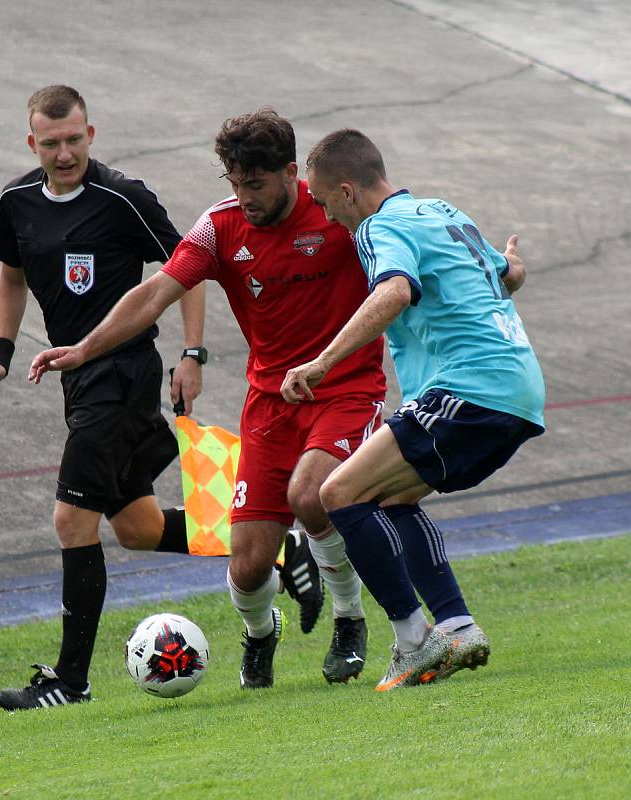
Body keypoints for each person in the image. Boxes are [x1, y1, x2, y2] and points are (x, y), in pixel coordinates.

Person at [29, 109, 485, 693]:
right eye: (234, 182)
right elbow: (156, 293)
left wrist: (495, 270)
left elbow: (420, 241)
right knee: (246, 566)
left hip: (345, 389)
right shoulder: (221, 228)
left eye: (256, 184)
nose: (243, 196)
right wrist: (84, 349)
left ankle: (349, 618)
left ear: (292, 172)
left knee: (315, 493)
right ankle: (260, 631)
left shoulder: (340, 213)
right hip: (269, 404)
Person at [0, 84, 210, 711]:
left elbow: (190, 268)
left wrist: (192, 353)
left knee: (72, 519)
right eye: (52, 144)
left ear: (91, 134)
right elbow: (12, 280)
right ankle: (281, 548)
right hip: (76, 378)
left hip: (122, 374)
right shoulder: (15, 201)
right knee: (138, 527)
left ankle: (69, 683)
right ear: (33, 144)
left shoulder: (122, 197)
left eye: (74, 139)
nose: (65, 152)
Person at [280, 128, 546, 691]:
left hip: (469, 390)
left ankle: (413, 642)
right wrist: (514, 271)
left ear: (348, 192)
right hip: (518, 391)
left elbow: (395, 292)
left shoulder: (378, 226)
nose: (327, 217)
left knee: (337, 495)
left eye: (326, 201)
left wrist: (321, 363)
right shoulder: (441, 210)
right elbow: (502, 274)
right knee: (393, 498)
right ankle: (457, 626)